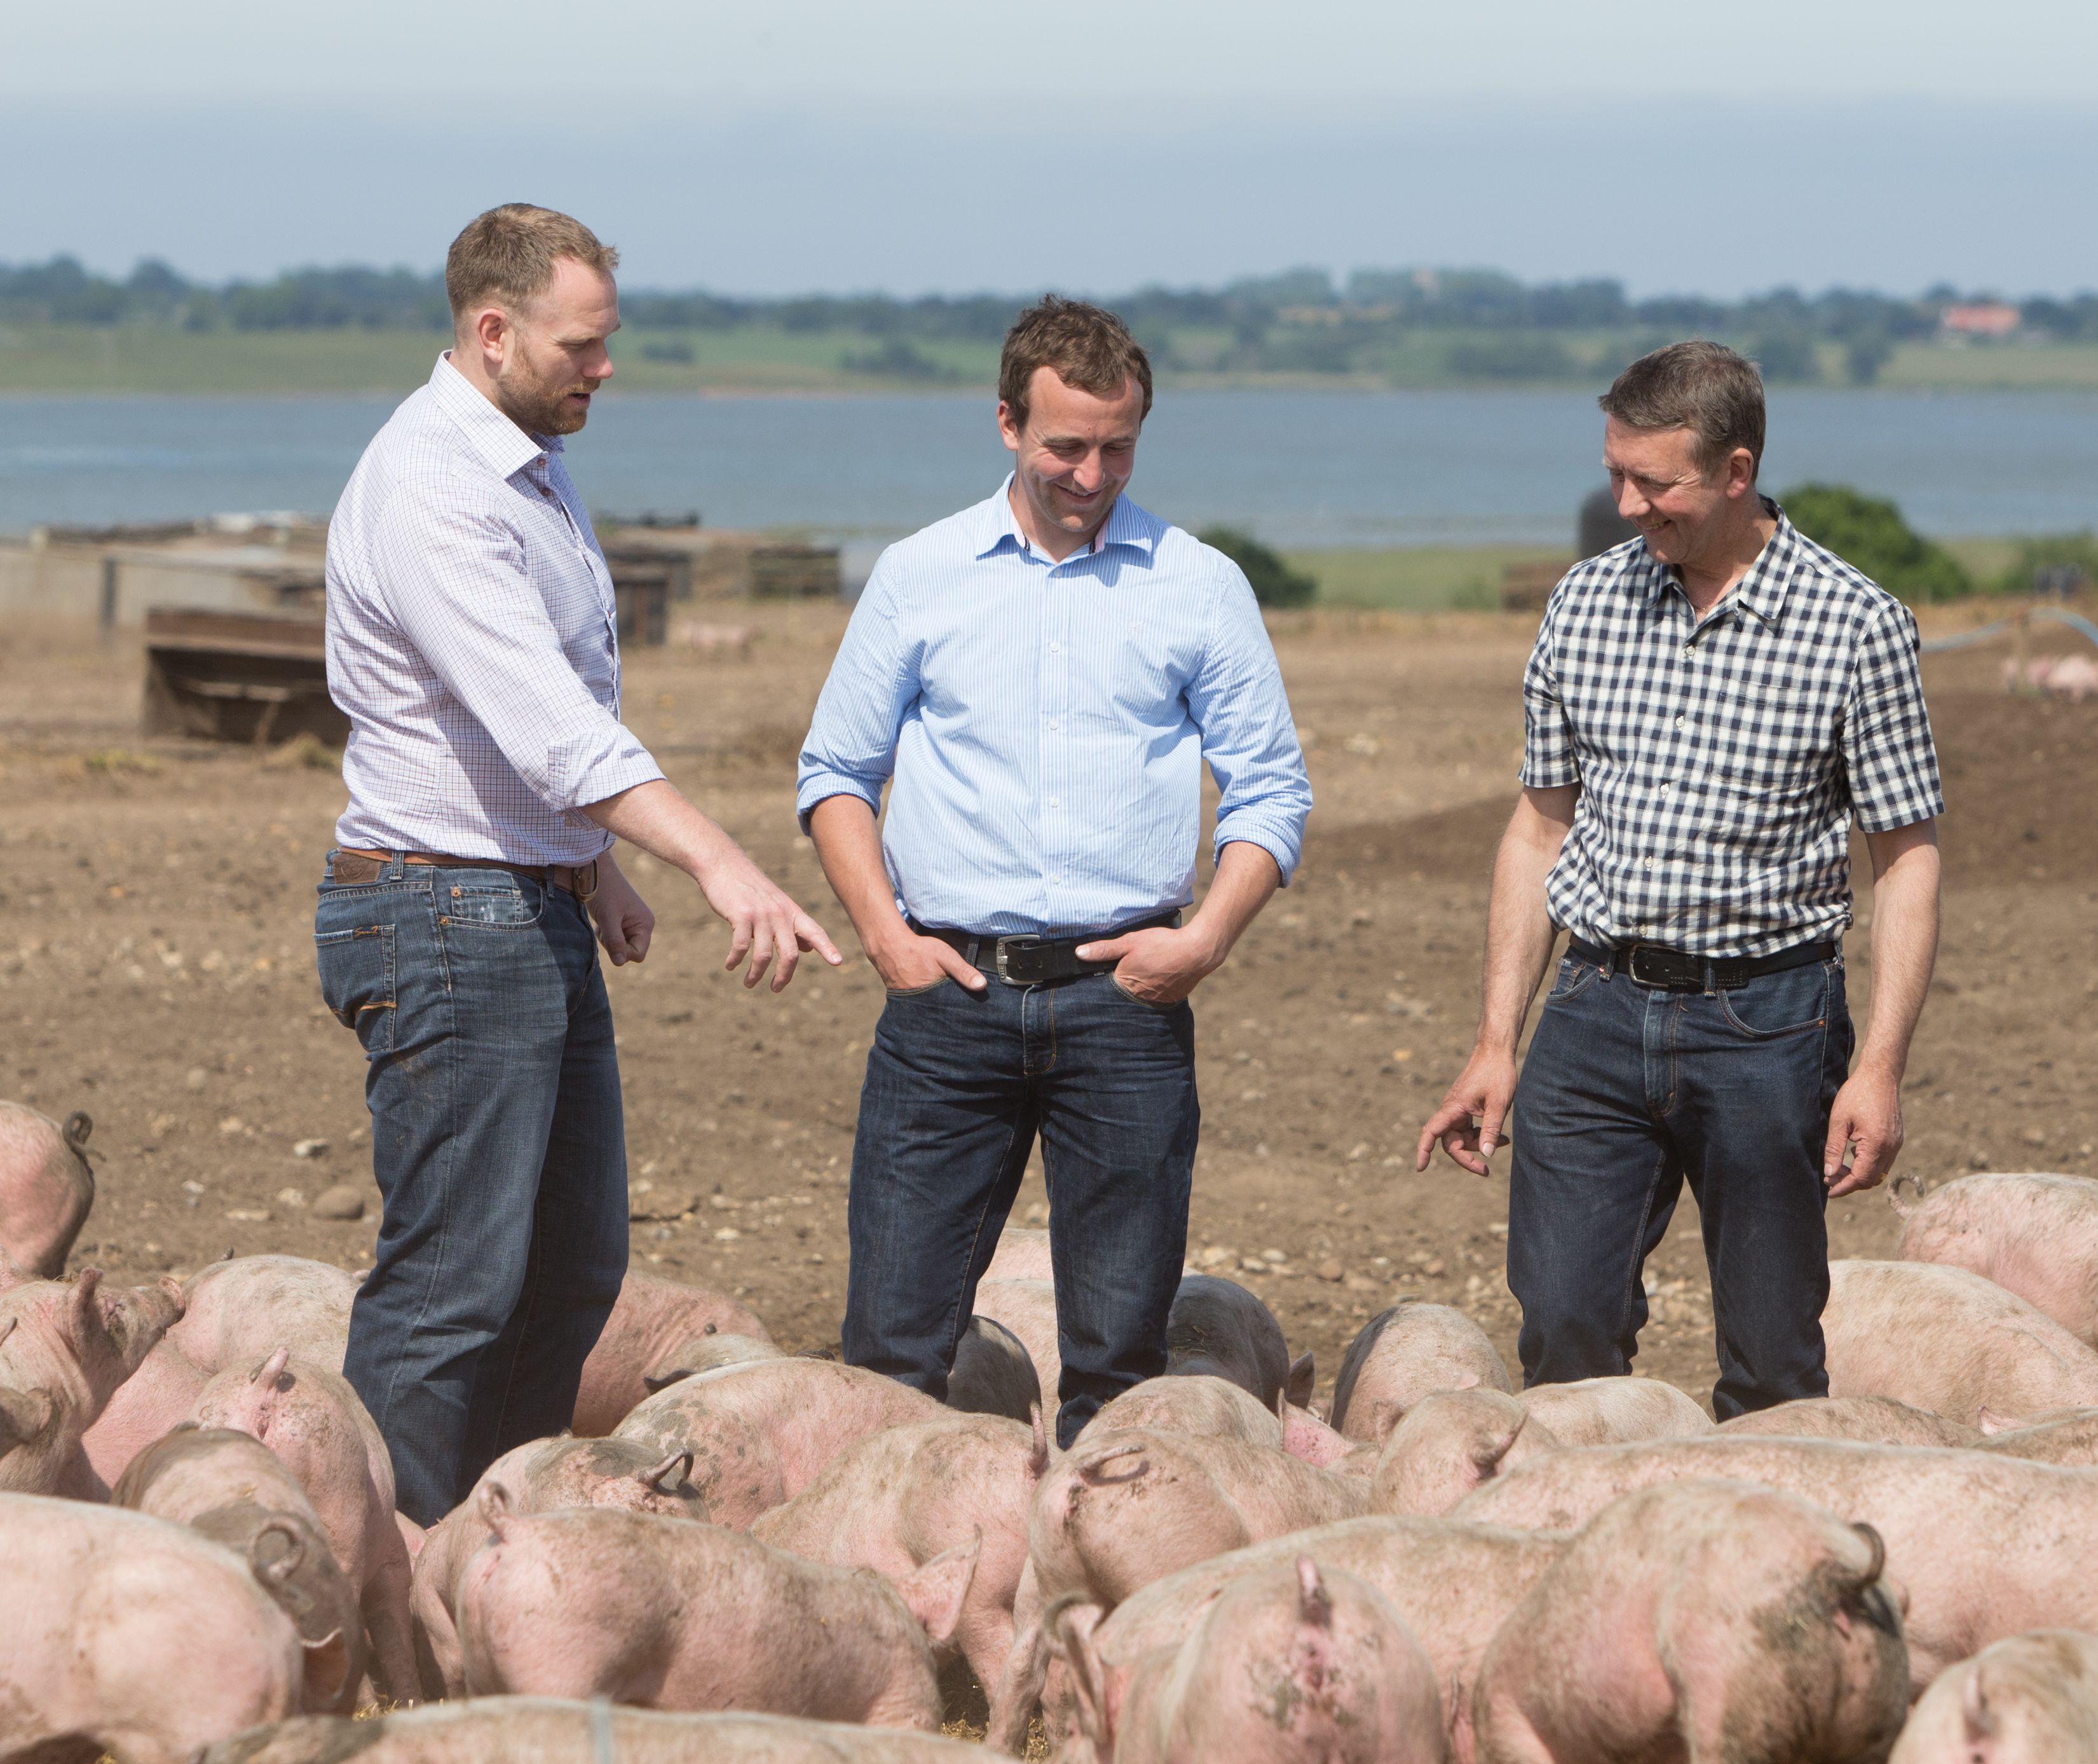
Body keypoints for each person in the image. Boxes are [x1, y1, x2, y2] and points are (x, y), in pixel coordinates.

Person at [319, 202, 838, 1524]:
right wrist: (726, 864)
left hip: (511, 900)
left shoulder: (527, 464)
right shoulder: (437, 487)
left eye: (607, 342)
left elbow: (524, 716)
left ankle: (491, 1562)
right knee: (452, 1288)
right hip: (442, 913)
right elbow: (552, 730)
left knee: (569, 1270)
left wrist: (586, 865)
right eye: (580, 345)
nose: (603, 369)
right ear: (492, 333)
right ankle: (391, 1578)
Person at [797, 296, 1312, 1446]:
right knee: (890, 1346)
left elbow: (1271, 791)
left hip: (1124, 1001)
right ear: (1005, 425)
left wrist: (1203, 941)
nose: (1092, 472)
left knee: (1121, 1365)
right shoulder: (920, 573)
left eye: (1117, 445)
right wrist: (886, 935)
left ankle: (1096, 1607)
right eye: (1065, 445)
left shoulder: (1199, 584)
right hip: (947, 999)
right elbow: (835, 771)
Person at [1416, 339, 1942, 1419]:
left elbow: (1906, 858)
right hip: (1593, 1015)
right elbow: (1536, 830)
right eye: (1615, 472)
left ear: (1735, 471)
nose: (1624, 504)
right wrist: (1493, 1042)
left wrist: (1878, 1066)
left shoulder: (1856, 626)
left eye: (1652, 482)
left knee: (1769, 1364)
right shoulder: (1585, 604)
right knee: (1562, 1336)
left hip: (1768, 1028)